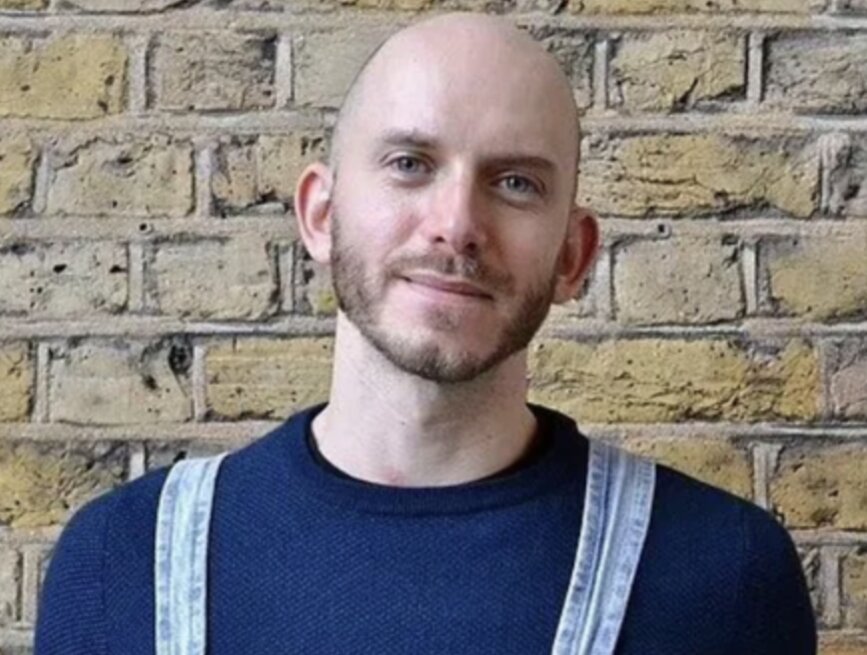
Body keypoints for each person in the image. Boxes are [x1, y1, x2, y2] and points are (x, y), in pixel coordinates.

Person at [34, 12, 816, 655]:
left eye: (515, 183)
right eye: (410, 163)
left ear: (572, 255)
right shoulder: (120, 563)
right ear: (320, 214)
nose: (456, 224)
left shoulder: (722, 579)